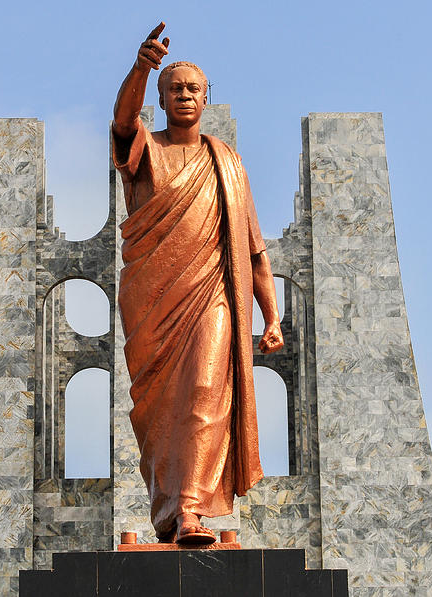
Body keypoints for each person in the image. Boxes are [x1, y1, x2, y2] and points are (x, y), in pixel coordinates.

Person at [113, 22, 283, 545]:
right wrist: (142, 66)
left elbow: (253, 248)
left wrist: (271, 316)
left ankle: (191, 509)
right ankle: (167, 508)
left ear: (207, 98)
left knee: (207, 391)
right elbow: (121, 122)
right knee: (159, 409)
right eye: (175, 89)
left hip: (212, 295)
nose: (184, 95)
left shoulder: (227, 162)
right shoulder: (144, 149)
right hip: (151, 300)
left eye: (193, 89)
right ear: (160, 100)